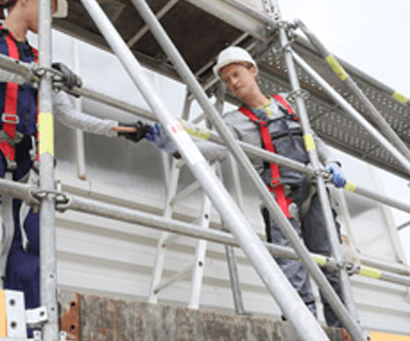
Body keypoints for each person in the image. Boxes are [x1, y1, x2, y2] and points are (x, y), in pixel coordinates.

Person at [0, 0, 147, 313]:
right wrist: (37, 74)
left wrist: (120, 129)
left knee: (30, 238)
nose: (50, 18)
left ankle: (28, 319)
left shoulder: (40, 59)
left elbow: (68, 115)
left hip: (25, 154)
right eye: (49, 6)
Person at [147, 46, 348, 327]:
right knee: (292, 269)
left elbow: (312, 139)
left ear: (253, 70)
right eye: (227, 80)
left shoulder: (288, 105)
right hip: (279, 198)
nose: (233, 83)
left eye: (237, 74)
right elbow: (214, 148)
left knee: (330, 265)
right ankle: (305, 330)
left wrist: (332, 163)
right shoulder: (234, 122)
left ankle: (345, 331)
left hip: (315, 194)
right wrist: (176, 147)